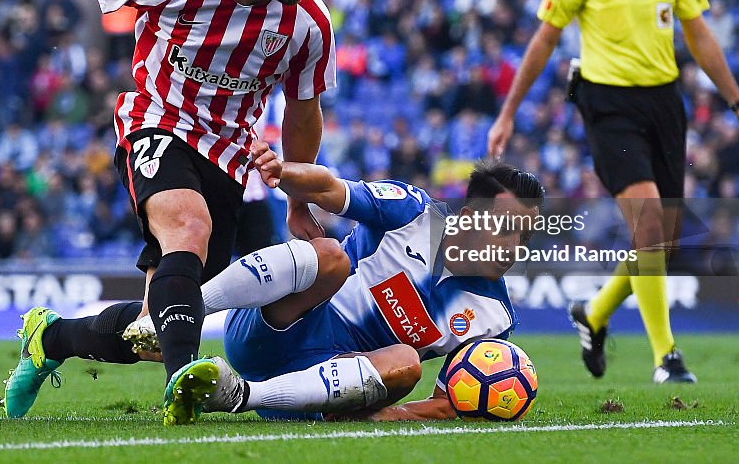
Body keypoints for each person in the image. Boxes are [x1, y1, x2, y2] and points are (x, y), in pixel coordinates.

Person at [0, 0, 352, 421]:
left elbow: (302, 108)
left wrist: (298, 198)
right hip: (157, 125)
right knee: (187, 229)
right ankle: (183, 388)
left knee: (155, 327)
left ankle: (50, 339)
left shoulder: (310, 24)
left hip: (227, 157)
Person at [486, 0, 739, 384]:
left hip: (664, 103)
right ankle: (667, 357)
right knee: (651, 225)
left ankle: (593, 314)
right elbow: (543, 42)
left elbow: (700, 36)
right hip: (607, 105)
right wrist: (507, 114)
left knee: (661, 239)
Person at [158, 141, 545, 422]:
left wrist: (388, 416)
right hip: (271, 328)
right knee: (332, 256)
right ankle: (189, 306)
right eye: (505, 228)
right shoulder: (413, 212)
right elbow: (329, 188)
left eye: (524, 237)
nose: (513, 247)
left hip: (314, 390)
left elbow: (448, 401)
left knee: (407, 363)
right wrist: (283, 171)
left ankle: (242, 395)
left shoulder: (495, 317)